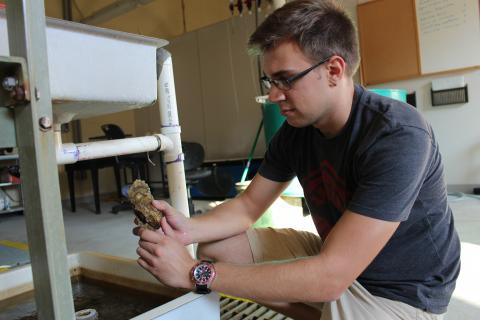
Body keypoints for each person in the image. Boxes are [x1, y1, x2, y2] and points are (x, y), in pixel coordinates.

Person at [133, 0, 461, 319]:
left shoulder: (397, 135)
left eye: (286, 79)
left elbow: (331, 276)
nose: (274, 95)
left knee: (326, 292)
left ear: (334, 69)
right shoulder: (298, 128)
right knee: (218, 249)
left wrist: (195, 274)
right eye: (271, 81)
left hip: (402, 290)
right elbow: (248, 207)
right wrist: (186, 230)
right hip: (334, 252)